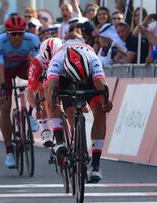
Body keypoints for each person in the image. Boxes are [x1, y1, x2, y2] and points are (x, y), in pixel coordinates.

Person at [45, 42, 113, 183]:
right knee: (51, 99)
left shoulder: (94, 60)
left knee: (100, 111)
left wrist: (106, 100)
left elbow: (101, 84)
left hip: (89, 77)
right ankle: (59, 140)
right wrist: (53, 102)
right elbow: (51, 86)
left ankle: (95, 165)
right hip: (65, 79)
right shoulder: (57, 61)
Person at [0, 15, 41, 169]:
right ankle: (9, 151)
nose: (17, 37)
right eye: (13, 34)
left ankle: (33, 113)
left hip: (22, 67)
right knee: (5, 107)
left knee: (40, 79)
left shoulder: (32, 39)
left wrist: (36, 84)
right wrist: (2, 89)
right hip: (4, 70)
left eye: (20, 33)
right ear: (7, 33)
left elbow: (39, 64)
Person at [27, 37, 63, 148]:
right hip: (42, 84)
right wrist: (36, 108)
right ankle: (45, 129)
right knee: (41, 93)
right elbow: (30, 91)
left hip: (60, 81)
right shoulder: (37, 62)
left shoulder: (65, 56)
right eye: (48, 62)